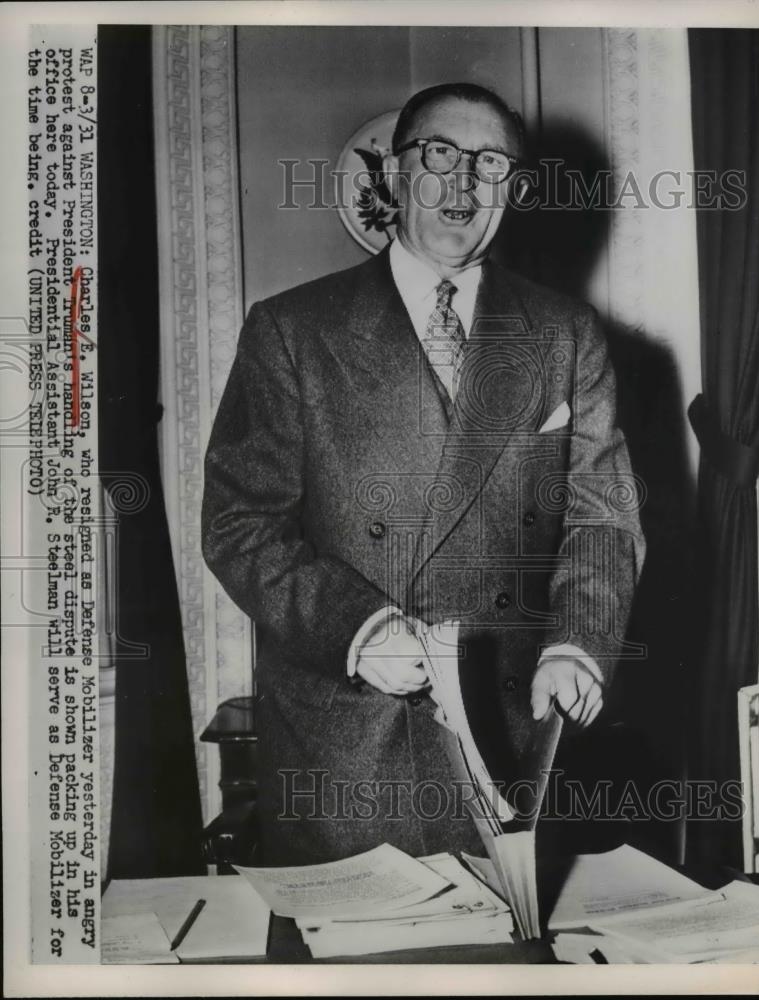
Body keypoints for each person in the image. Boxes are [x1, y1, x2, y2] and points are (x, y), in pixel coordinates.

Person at [201, 82, 646, 864]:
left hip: (507, 738)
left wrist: (577, 643)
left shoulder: (565, 334)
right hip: (347, 741)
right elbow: (241, 523)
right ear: (396, 175)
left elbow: (602, 519)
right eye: (439, 154)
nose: (463, 183)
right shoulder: (291, 330)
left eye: (490, 164)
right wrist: (356, 626)